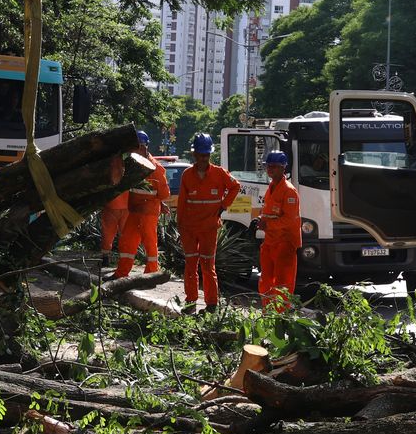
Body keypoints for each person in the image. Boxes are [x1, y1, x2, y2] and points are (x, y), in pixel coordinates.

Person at [177, 132, 241, 311]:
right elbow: (182, 203)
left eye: (206, 155)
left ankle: (211, 304)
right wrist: (180, 226)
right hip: (189, 228)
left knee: (207, 265)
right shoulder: (187, 175)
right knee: (191, 265)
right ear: (194, 154)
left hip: (209, 228)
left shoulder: (219, 173)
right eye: (200, 154)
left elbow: (235, 186)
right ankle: (191, 302)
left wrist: (224, 205)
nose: (203, 158)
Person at [112, 130, 170, 278]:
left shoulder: (155, 168)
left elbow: (164, 194)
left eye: (134, 148)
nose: (132, 151)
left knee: (149, 242)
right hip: (134, 211)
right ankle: (121, 273)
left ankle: (151, 274)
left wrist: (158, 202)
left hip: (148, 212)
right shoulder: (132, 165)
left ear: (143, 147)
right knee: (127, 241)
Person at [253, 150, 300, 309]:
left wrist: (267, 225)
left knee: (282, 283)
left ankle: (281, 316)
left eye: (274, 166)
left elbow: (289, 219)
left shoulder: (289, 190)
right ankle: (268, 313)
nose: (270, 169)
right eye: (268, 166)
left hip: (285, 243)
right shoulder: (271, 187)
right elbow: (268, 212)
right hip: (270, 242)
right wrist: (261, 219)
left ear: (283, 168)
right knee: (265, 280)